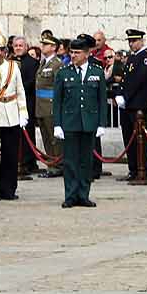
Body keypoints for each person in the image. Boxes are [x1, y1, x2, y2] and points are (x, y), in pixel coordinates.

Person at [54, 34, 109, 208]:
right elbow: (58, 101)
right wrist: (57, 124)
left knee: (86, 161)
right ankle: (70, 195)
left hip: (89, 122)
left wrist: (101, 123)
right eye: (72, 52)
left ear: (86, 54)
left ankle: (83, 194)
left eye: (77, 52)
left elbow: (102, 100)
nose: (73, 55)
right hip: (70, 122)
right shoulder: (64, 73)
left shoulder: (97, 72)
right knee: (70, 162)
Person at [0, 30, 27, 201]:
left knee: (10, 155)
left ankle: (8, 188)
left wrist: (23, 113)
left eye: (2, 49)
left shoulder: (13, 66)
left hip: (10, 113)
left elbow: (20, 91)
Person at [116, 28, 147, 179]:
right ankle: (133, 168)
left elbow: (138, 81)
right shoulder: (132, 58)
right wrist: (119, 95)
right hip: (128, 105)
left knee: (140, 139)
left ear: (141, 41)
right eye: (130, 41)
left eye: (134, 41)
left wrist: (125, 96)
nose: (131, 44)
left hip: (139, 105)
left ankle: (144, 168)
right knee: (129, 138)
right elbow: (125, 80)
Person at [34, 31, 64, 177]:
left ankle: (57, 165)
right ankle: (51, 164)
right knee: (46, 138)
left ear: (53, 47)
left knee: (54, 139)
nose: (43, 46)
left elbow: (59, 88)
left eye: (46, 44)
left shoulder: (57, 64)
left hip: (51, 106)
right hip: (41, 106)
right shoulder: (44, 63)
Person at [11, 35, 40, 176]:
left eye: (20, 46)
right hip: (11, 103)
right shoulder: (9, 62)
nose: (17, 48)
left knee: (28, 133)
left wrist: (17, 89)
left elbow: (32, 82)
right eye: (15, 45)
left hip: (27, 102)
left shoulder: (33, 63)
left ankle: (28, 162)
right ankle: (18, 161)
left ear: (26, 47)